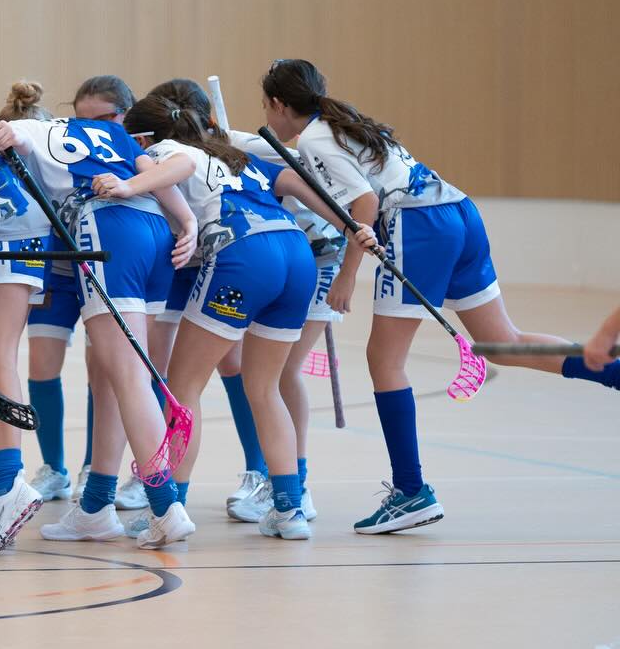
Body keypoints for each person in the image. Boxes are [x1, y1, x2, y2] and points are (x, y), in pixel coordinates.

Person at [262, 58, 620, 534]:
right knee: (502, 341)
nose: (267, 117)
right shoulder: (339, 124)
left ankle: (411, 491)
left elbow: (364, 206)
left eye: (266, 106)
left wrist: (348, 276)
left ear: (281, 104)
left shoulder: (314, 139)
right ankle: (612, 371)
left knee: (384, 361)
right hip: (457, 211)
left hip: (419, 226)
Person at [109, 91, 372, 541]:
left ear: (145, 135)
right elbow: (297, 182)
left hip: (243, 256)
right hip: (296, 255)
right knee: (265, 388)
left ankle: (170, 510)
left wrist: (132, 185)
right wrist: (350, 226)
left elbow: (180, 169)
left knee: (183, 390)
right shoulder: (236, 157)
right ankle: (289, 509)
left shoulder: (164, 152)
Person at [0, 103, 197, 549]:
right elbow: (162, 174)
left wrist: (6, 132)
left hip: (108, 227)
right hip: (157, 233)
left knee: (127, 377)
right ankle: (98, 506)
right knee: (115, 379)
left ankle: (165, 505)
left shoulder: (43, 129)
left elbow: (10, 135)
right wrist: (189, 221)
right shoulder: (113, 133)